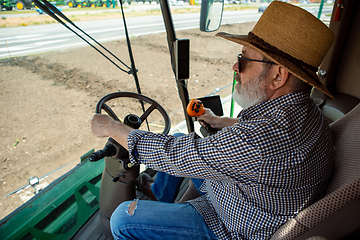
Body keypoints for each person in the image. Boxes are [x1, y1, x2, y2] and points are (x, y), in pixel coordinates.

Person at [91, 1, 335, 239]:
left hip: (232, 226)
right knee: (180, 138)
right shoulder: (308, 112)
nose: (235, 67)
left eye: (243, 59)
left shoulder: (255, 142)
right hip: (252, 197)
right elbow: (260, 136)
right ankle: (159, 194)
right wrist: (219, 120)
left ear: (278, 76)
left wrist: (111, 127)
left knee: (122, 218)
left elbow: (173, 155)